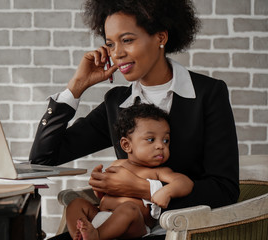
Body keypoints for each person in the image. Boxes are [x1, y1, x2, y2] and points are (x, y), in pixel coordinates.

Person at [30, 0, 239, 238]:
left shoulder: (207, 94)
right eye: (110, 44)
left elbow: (225, 190)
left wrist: (143, 188)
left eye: (127, 40)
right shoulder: (117, 103)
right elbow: (43, 159)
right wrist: (76, 88)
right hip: (113, 229)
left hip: (179, 232)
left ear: (160, 37)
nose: (117, 53)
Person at [66, 103, 194, 240]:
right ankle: (79, 235)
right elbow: (104, 196)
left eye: (165, 140)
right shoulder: (118, 165)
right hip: (101, 218)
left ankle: (96, 236)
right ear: (127, 145)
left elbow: (185, 182)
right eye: (151, 140)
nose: (160, 146)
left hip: (134, 226)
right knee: (76, 204)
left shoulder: (160, 172)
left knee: (129, 208)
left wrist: (167, 192)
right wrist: (99, 187)